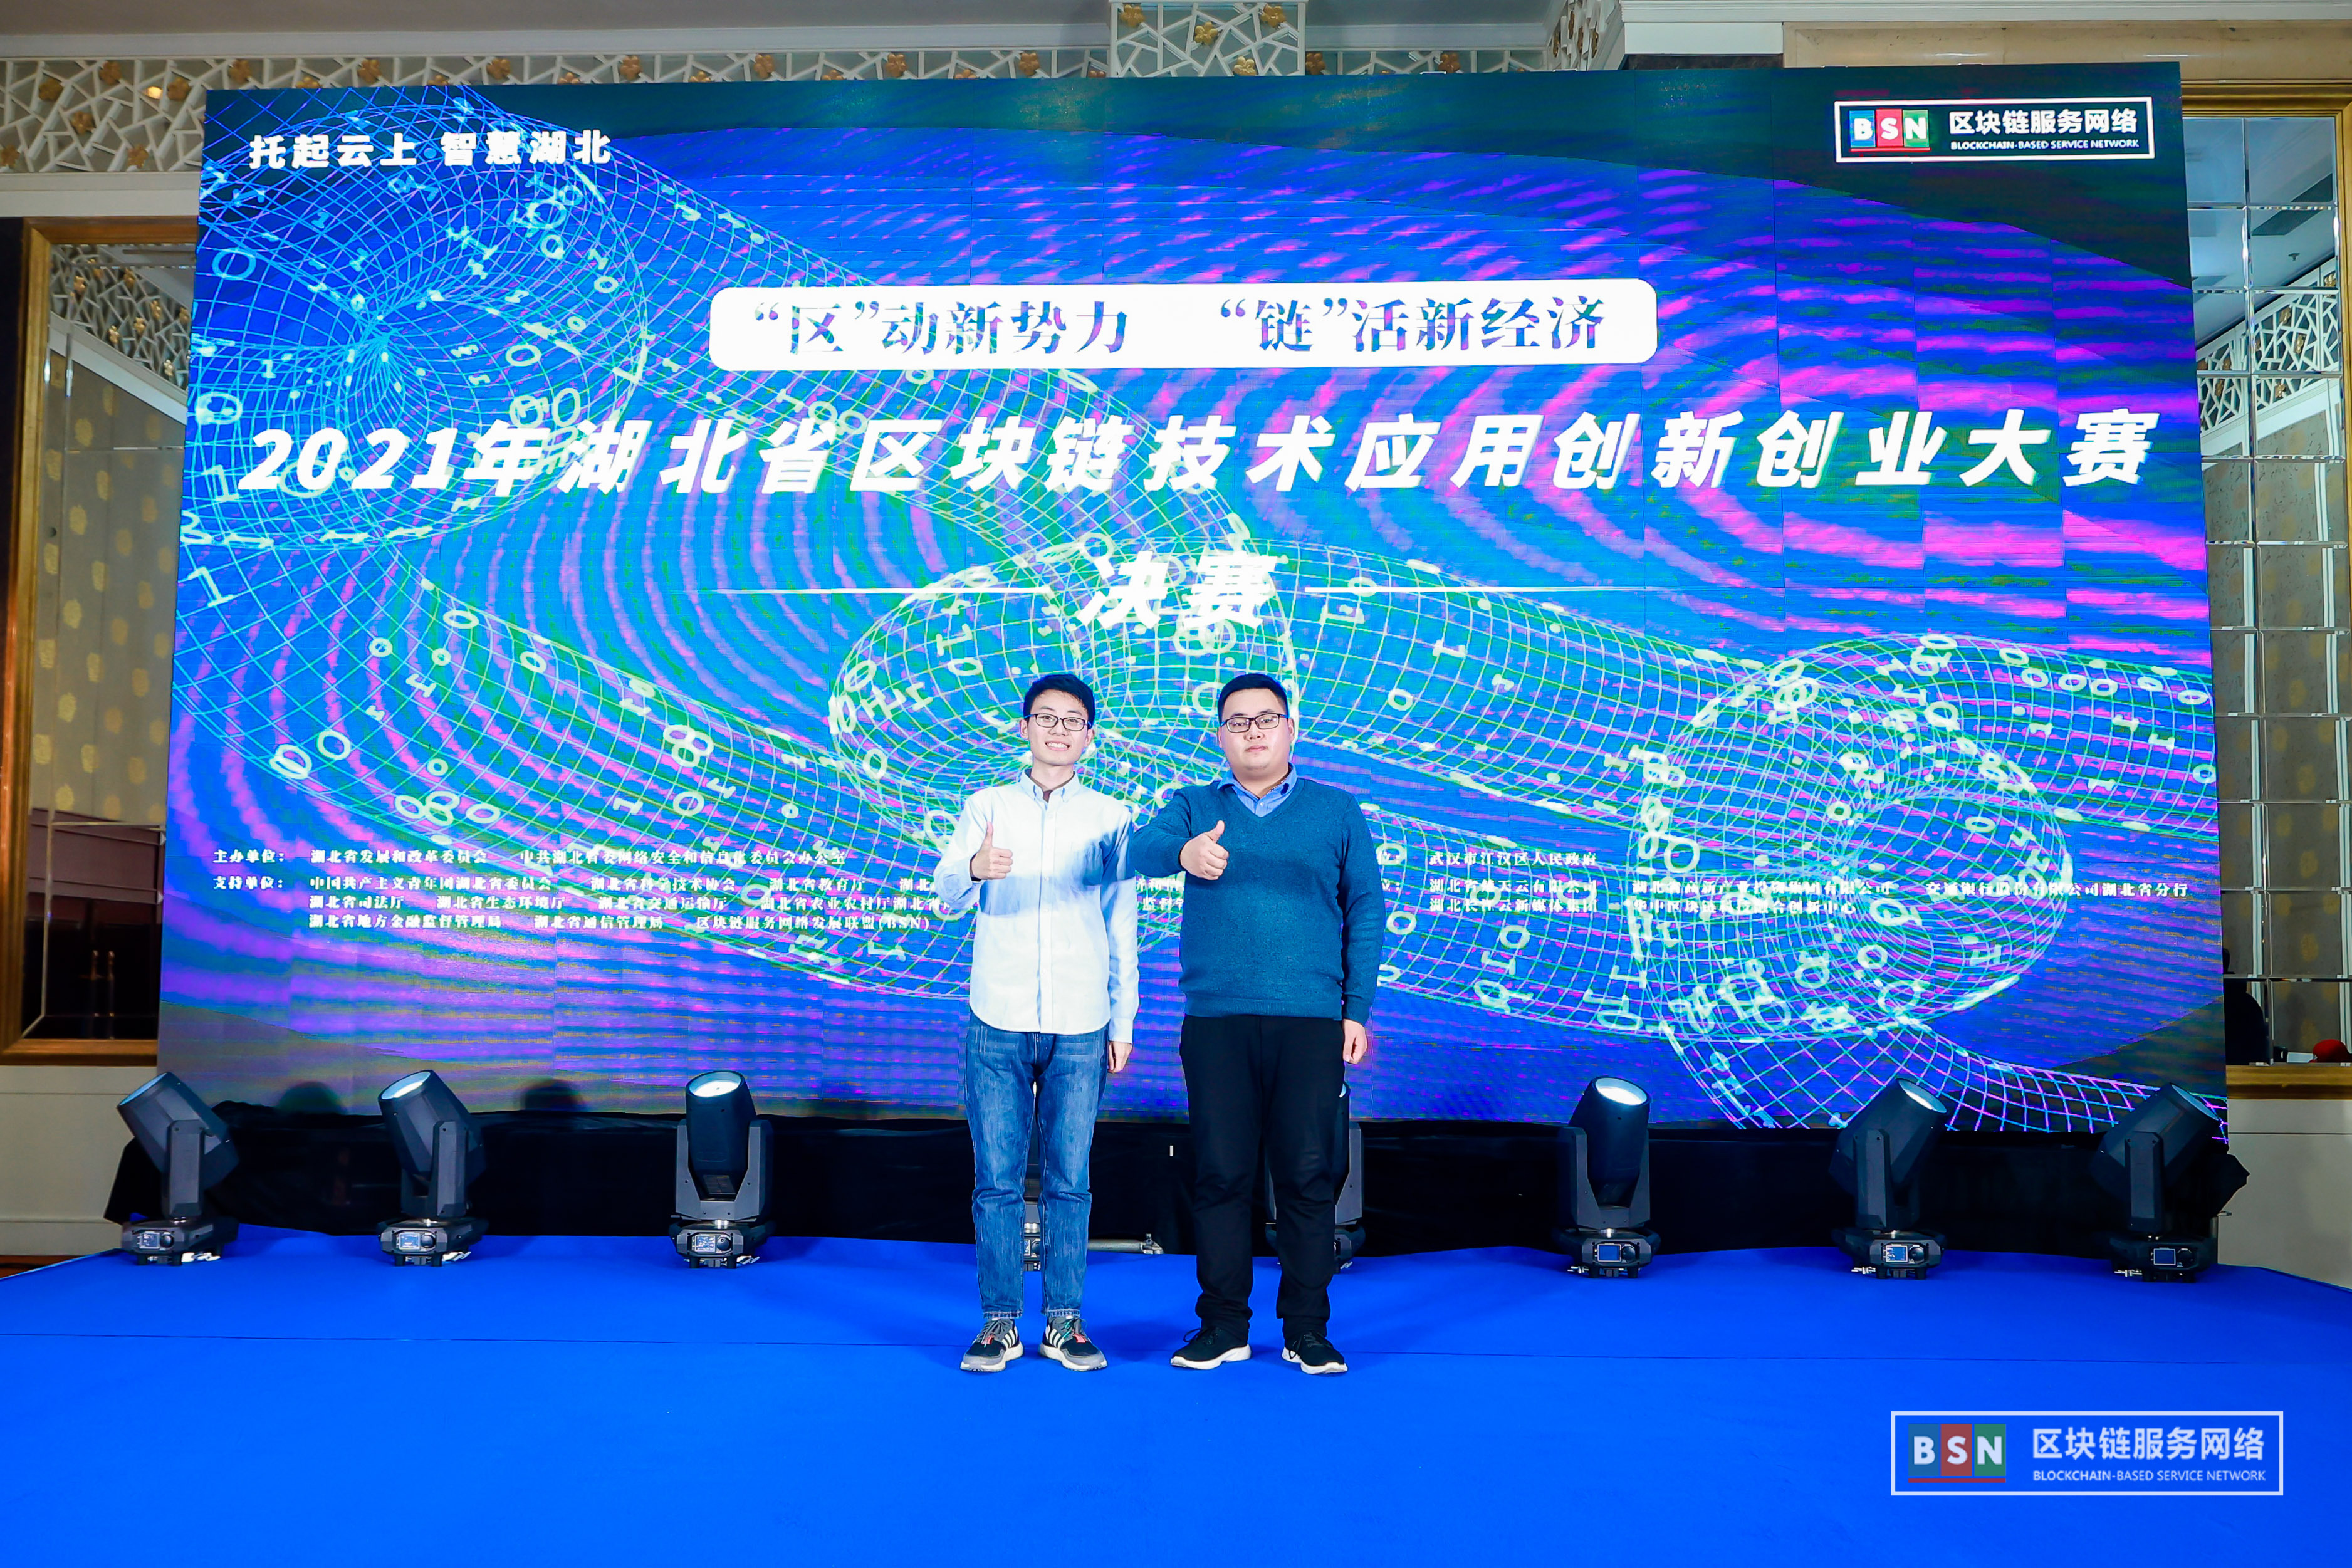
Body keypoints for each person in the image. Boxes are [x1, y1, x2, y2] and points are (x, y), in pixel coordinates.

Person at [1131, 672, 1382, 1376]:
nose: (1252, 732)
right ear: (1220, 736)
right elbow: (1140, 850)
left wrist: (1355, 1011)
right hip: (1217, 1021)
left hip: (1311, 1021)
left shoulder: (1336, 810)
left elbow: (1365, 909)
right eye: (1237, 722)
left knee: (1306, 1176)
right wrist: (1182, 853)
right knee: (1220, 1175)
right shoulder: (1194, 805)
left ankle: (1307, 1328)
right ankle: (1223, 1325)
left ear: (1291, 730)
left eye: (1265, 719)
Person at [933, 673, 1136, 1373]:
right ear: (1024, 729)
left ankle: (1064, 1322)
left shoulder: (1111, 816)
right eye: (1045, 718)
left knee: (1069, 1179)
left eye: (1072, 720)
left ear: (1089, 736)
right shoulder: (986, 805)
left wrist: (1122, 1019)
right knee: (996, 1179)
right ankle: (999, 1323)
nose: (1058, 730)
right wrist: (973, 867)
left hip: (1082, 1019)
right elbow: (944, 897)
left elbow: (1121, 923)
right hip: (998, 1015)